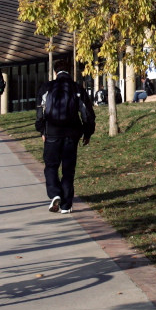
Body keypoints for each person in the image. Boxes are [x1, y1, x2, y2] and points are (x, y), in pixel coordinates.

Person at [35, 57, 95, 214]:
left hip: (52, 132)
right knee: (68, 169)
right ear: (70, 72)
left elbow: (40, 112)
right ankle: (66, 205)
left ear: (55, 72)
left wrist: (42, 130)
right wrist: (88, 132)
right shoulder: (76, 88)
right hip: (71, 133)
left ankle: (55, 193)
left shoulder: (47, 87)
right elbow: (86, 113)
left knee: (51, 166)